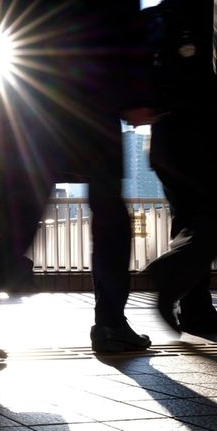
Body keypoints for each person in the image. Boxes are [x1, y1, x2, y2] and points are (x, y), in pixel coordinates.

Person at [0, 0, 157, 357]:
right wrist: (138, 91)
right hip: (90, 85)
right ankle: (111, 323)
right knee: (109, 208)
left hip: (29, 84)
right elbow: (121, 20)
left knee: (29, 199)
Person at [143, 0, 217, 333]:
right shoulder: (201, 14)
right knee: (208, 219)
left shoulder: (153, 18)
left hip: (163, 139)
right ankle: (171, 274)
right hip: (200, 137)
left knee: (187, 219)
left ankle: (196, 308)